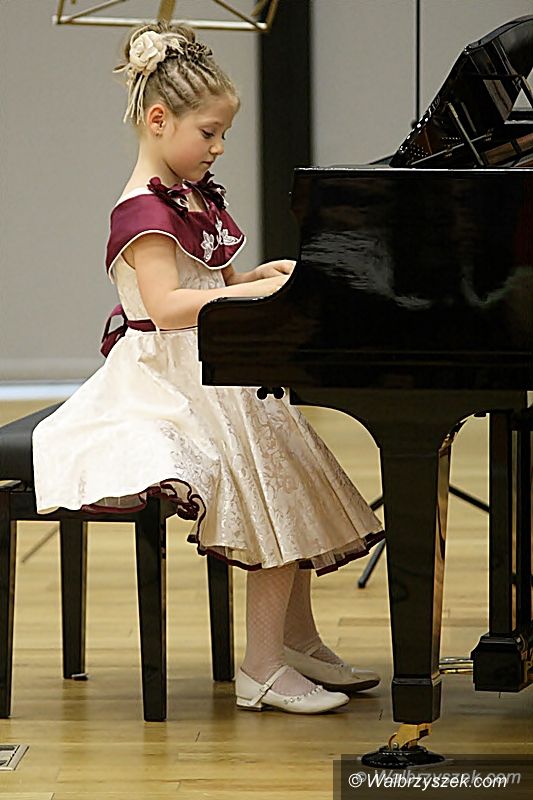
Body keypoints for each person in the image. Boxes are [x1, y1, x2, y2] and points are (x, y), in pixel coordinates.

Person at [32, 21, 385, 715]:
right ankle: (260, 668)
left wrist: (257, 277)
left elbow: (210, 282)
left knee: (293, 470)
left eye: (223, 133)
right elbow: (167, 308)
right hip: (168, 376)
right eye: (209, 132)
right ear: (158, 120)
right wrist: (246, 296)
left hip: (214, 363)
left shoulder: (191, 193)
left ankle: (296, 640)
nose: (219, 146)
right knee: (268, 483)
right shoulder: (142, 210)